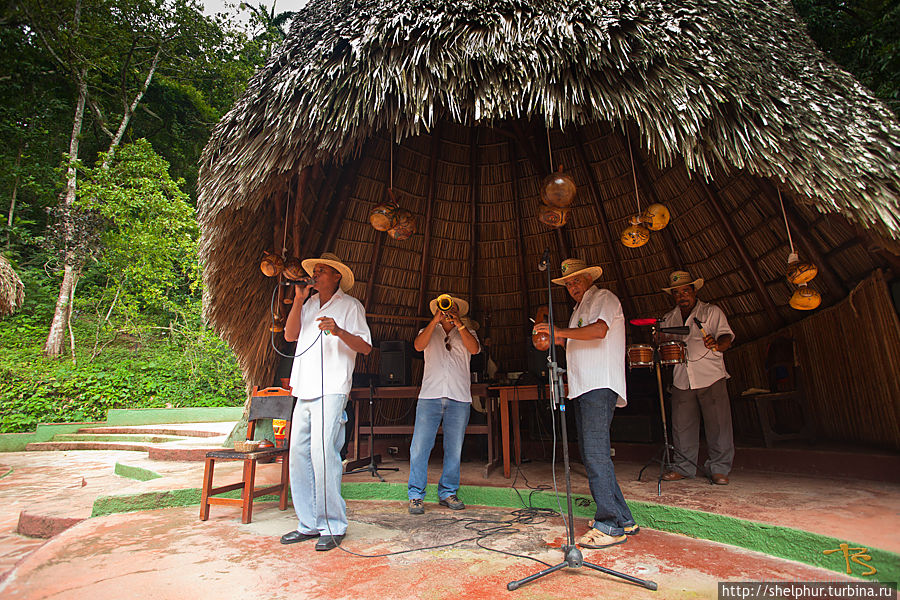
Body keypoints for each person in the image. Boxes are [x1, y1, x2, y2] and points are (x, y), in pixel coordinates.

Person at [533, 258, 638, 549]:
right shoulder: (578, 310)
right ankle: (624, 518)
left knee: (595, 453)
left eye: (576, 280)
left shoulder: (603, 297)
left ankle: (610, 525)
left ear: (590, 279)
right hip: (583, 387)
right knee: (595, 453)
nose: (572, 287)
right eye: (568, 284)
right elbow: (576, 341)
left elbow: (599, 331)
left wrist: (559, 332)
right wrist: (553, 339)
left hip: (598, 384)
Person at [280, 253, 372, 551]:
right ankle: (308, 524)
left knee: (323, 455)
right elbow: (290, 335)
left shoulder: (351, 306)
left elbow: (365, 347)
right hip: (303, 387)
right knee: (298, 455)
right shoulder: (307, 305)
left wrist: (338, 330)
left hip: (332, 388)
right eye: (315, 270)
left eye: (322, 270)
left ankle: (333, 525)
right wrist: (298, 300)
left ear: (337, 276)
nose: (316, 274)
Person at [658, 270, 735, 485]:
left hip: (710, 374)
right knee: (682, 426)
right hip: (682, 377)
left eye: (685, 291)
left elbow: (726, 335)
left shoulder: (711, 311)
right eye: (677, 293)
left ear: (694, 291)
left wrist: (718, 344)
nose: (681, 296)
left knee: (718, 424)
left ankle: (719, 469)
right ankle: (683, 467)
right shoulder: (668, 318)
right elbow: (664, 345)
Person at [407, 295, 480, 514]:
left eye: (452, 308)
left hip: (459, 397)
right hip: (430, 396)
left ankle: (448, 491)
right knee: (419, 446)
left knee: (454, 448)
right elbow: (418, 346)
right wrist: (435, 321)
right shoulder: (427, 331)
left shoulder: (468, 331)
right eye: (444, 307)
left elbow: (474, 349)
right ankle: (415, 495)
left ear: (459, 311)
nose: (448, 311)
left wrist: (459, 325)